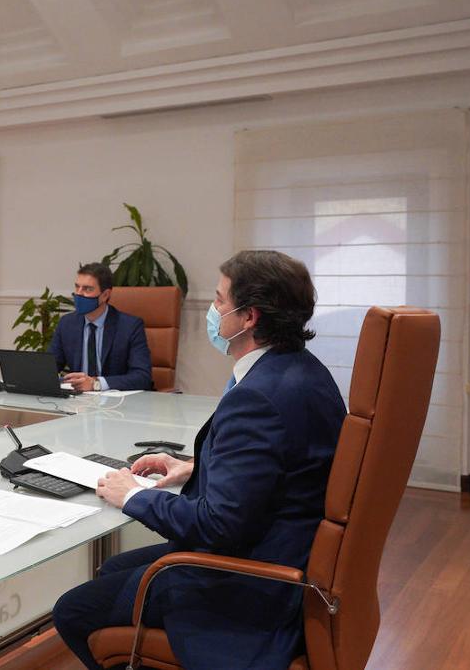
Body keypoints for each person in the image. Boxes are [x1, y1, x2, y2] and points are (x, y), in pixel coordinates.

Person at [52, 250, 347, 670]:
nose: (213, 310)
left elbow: (218, 526)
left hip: (251, 581)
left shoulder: (256, 398)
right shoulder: (303, 371)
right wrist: (196, 467)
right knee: (114, 566)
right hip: (289, 549)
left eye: (220, 300)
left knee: (72, 610)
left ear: (249, 318)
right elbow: (288, 466)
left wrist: (133, 495)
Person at [48, 262, 152, 391]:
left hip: (117, 404)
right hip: (78, 403)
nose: (79, 294)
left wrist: (96, 384)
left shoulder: (130, 327)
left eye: (87, 289)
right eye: (77, 287)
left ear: (105, 295)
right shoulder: (67, 324)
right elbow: (49, 368)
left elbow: (142, 377)